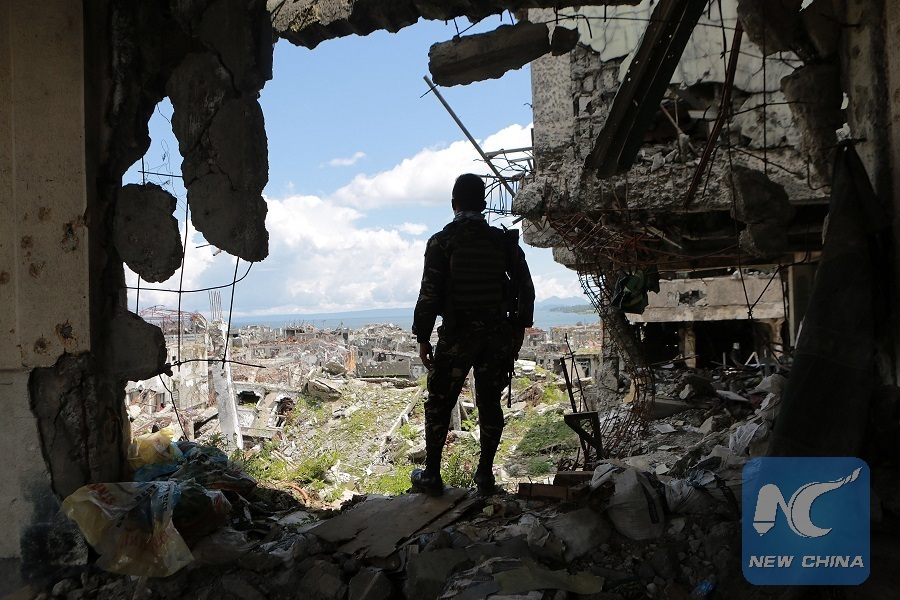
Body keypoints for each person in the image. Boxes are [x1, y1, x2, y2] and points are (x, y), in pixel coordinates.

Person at [410, 173, 535, 496]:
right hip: (497, 336)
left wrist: (423, 338)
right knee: (490, 403)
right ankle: (485, 475)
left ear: (454, 204)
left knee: (440, 402)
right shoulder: (502, 242)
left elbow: (429, 294)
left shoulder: (442, 242)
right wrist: (518, 330)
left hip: (457, 335)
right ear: (484, 204)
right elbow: (526, 289)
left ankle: (432, 475)